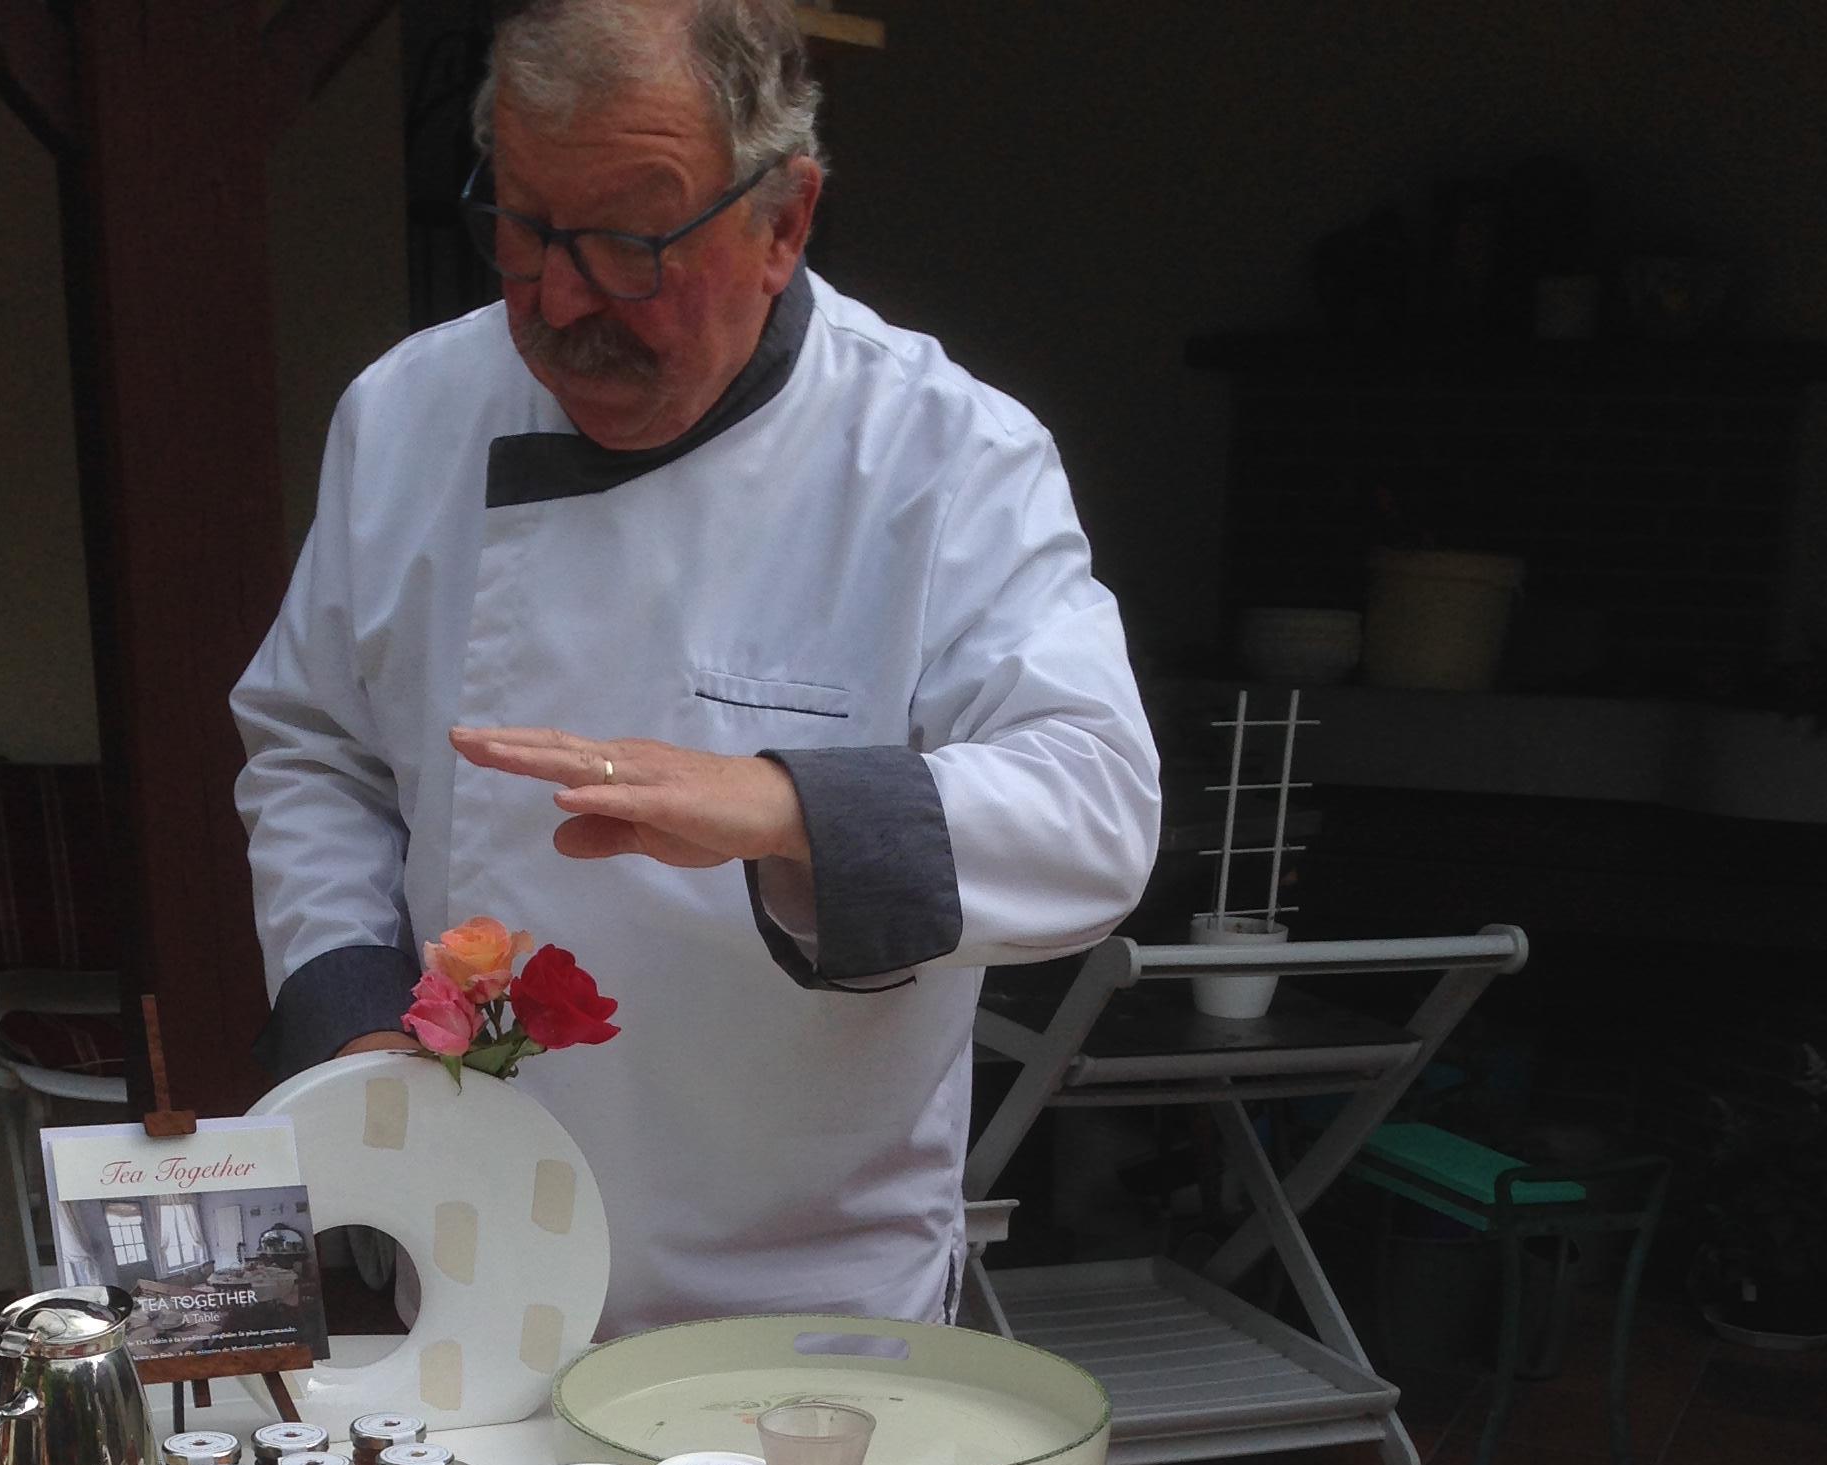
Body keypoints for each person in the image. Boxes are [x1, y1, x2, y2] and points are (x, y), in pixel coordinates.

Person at [233, 0, 1158, 1335]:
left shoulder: (941, 458)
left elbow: (1097, 813)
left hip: (800, 1292)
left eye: (628, 242)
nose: (559, 301)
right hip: (466, 1247)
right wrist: (352, 1016)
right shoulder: (406, 417)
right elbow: (316, 746)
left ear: (784, 223)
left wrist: (785, 811)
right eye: (527, 225)